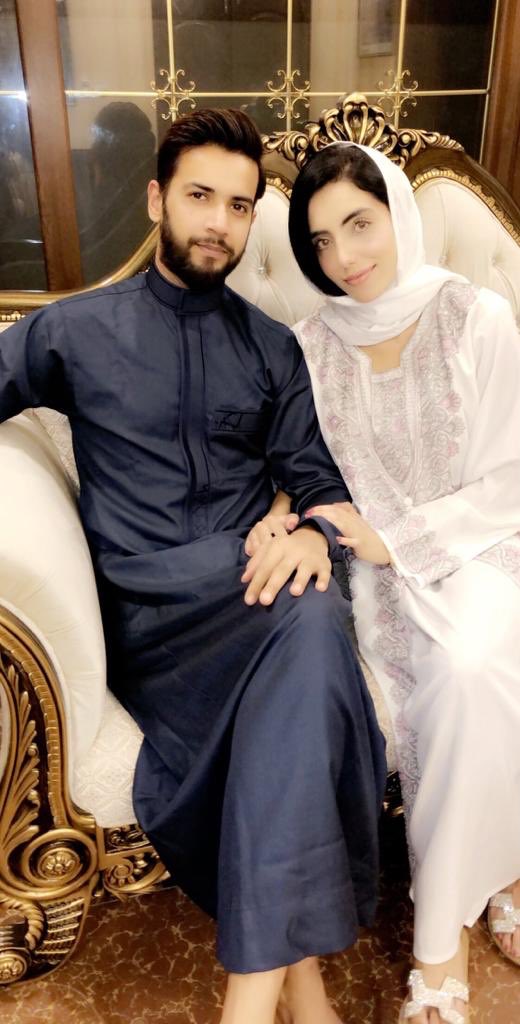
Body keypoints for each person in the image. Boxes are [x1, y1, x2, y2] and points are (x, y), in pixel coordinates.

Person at [0, 110, 387, 1024]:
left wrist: (313, 534)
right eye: (200, 197)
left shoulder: (272, 346)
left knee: (311, 615)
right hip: (149, 614)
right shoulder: (73, 331)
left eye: (238, 206)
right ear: (156, 200)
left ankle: (264, 998)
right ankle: (302, 985)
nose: (219, 222)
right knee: (311, 628)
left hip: (249, 596)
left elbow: (318, 482)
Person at [275, 140, 520, 1022]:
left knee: (467, 665)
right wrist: (292, 517)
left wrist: (404, 538)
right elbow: (295, 462)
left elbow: (511, 477)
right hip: (370, 575)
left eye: (359, 224)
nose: (344, 257)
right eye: (321, 241)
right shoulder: (310, 343)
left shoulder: (475, 316)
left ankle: (440, 944)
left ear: (398, 217)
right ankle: (496, 878)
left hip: (483, 546)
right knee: (433, 670)